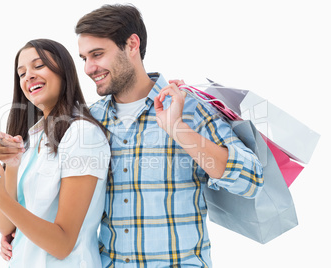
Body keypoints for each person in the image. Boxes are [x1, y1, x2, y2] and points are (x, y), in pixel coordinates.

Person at [74, 4, 264, 267]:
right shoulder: (90, 120)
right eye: (84, 58)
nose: (88, 68)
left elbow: (251, 180)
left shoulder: (190, 108)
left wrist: (178, 129)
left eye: (97, 54)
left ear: (132, 45)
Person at [0, 39, 110, 267]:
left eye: (38, 66)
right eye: (22, 73)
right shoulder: (32, 137)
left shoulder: (83, 135)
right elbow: (6, 226)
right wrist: (12, 168)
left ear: (64, 71)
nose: (28, 76)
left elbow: (62, 244)